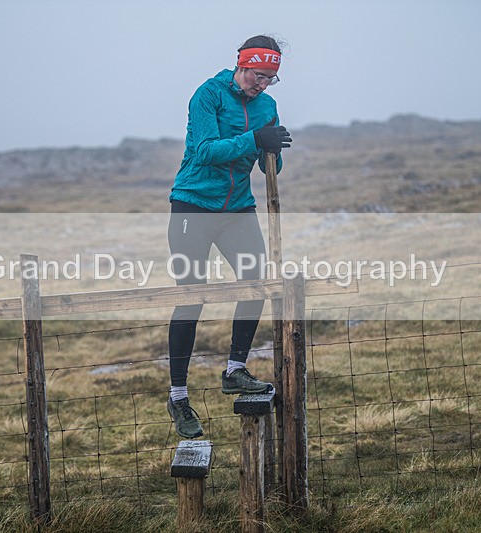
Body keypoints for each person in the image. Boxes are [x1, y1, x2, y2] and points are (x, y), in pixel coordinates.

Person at [166, 34, 292, 439]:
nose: (261, 85)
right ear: (242, 64)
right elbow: (204, 150)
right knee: (191, 295)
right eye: (257, 75)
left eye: (270, 79)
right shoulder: (208, 95)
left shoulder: (267, 106)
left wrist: (274, 150)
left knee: (255, 282)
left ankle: (235, 370)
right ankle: (178, 396)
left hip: (238, 208)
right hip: (193, 205)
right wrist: (254, 139)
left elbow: (266, 166)